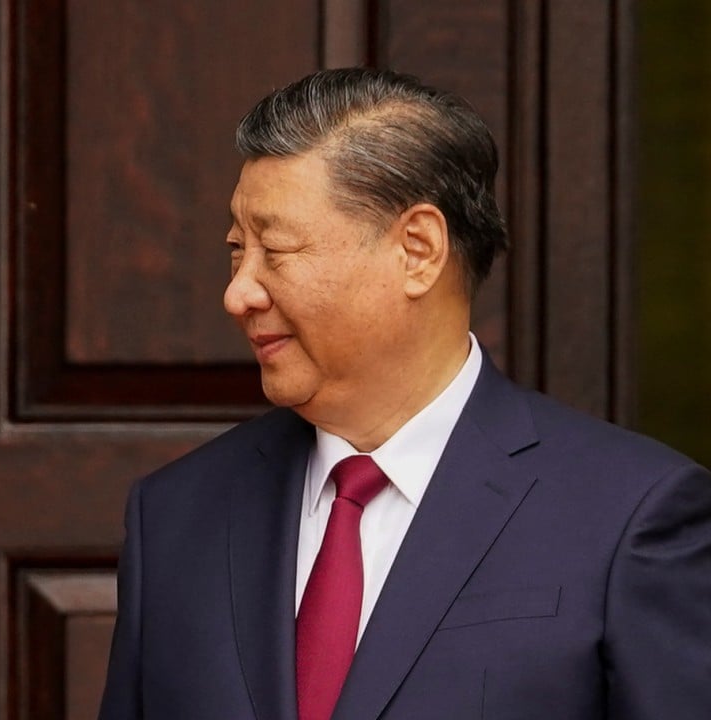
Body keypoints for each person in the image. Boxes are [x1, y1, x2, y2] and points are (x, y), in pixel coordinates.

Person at [97, 67, 711, 720]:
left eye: (275, 250)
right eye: (235, 250)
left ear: (418, 250)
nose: (238, 293)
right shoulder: (177, 516)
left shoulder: (629, 516)